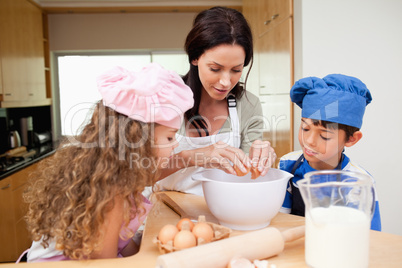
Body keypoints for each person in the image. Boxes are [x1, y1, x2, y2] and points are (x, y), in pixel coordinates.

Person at [17, 63, 194, 262]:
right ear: (139, 142)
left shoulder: (120, 178)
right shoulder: (111, 193)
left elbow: (123, 244)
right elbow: (107, 262)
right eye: (170, 138)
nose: (175, 144)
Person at [156, 6, 276, 195]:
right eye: (215, 68)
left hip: (225, 209)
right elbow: (138, 175)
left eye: (236, 70)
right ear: (195, 57)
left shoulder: (248, 105)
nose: (226, 82)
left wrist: (261, 160)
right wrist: (190, 156)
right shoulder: (163, 98)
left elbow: (249, 177)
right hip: (166, 209)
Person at [279, 74, 381, 231]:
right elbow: (281, 221)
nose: (309, 140)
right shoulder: (287, 165)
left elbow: (371, 236)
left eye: (324, 136)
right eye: (305, 128)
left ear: (351, 139)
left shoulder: (360, 182)